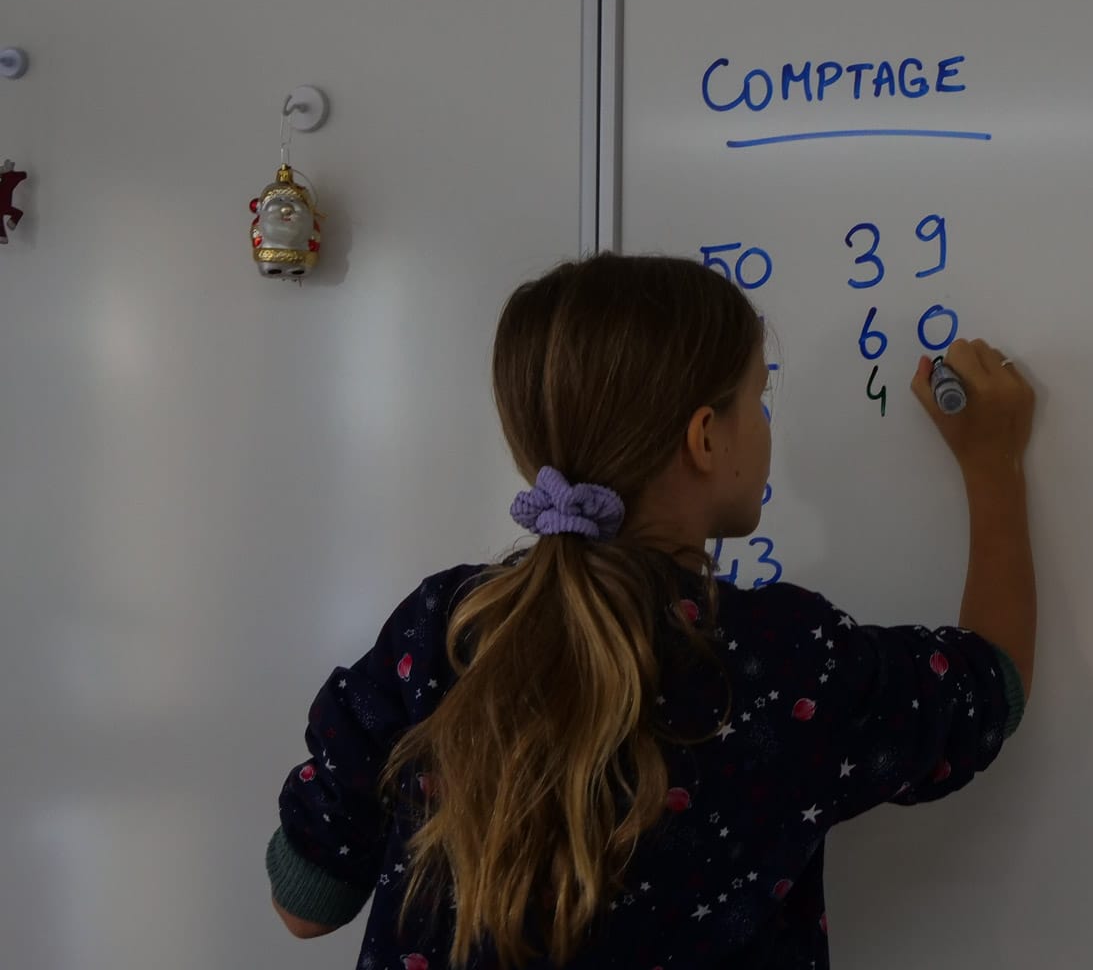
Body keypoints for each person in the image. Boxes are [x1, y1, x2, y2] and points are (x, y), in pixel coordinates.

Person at [264, 253, 1037, 969]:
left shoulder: (444, 626)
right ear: (705, 438)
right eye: (757, 401)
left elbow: (306, 905)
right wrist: (992, 464)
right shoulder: (788, 661)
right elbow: (990, 685)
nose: (765, 425)